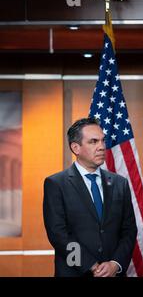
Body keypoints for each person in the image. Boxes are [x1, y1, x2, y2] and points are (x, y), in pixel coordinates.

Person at [43, 118, 137, 277]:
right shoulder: (56, 184)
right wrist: (91, 265)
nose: (101, 147)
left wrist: (115, 264)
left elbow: (129, 230)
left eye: (102, 141)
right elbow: (58, 234)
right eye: (93, 142)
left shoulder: (120, 183)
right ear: (75, 148)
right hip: (74, 272)